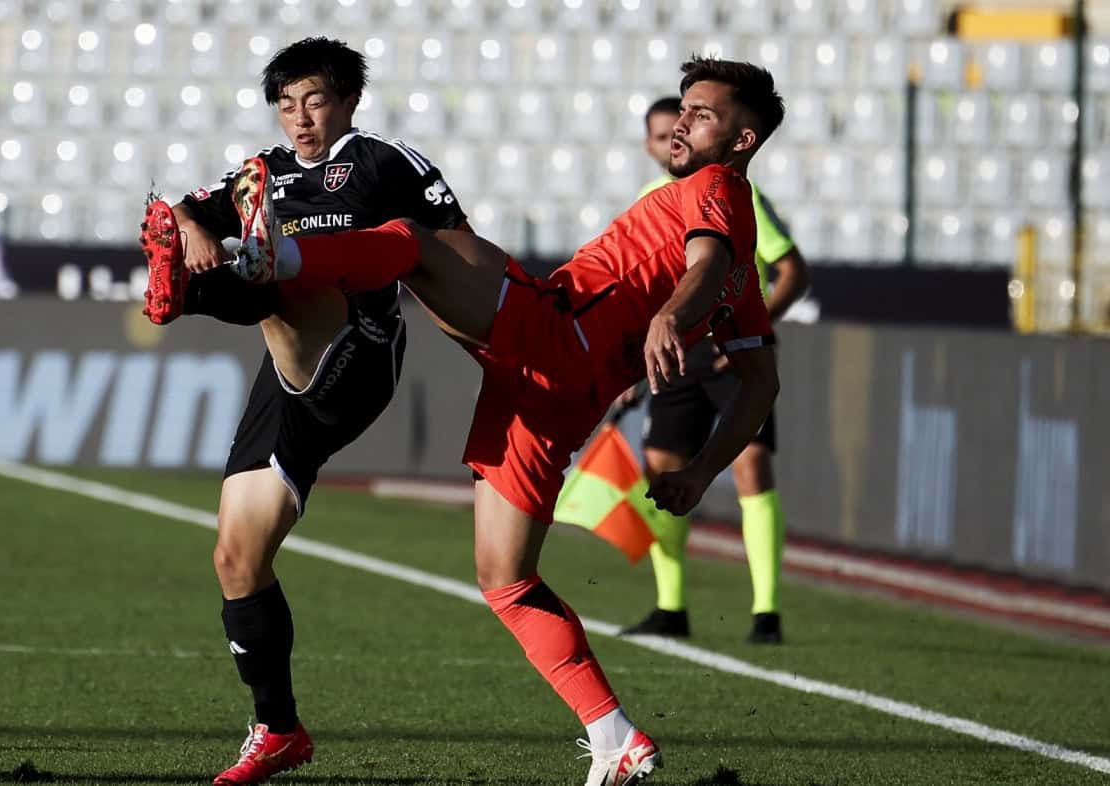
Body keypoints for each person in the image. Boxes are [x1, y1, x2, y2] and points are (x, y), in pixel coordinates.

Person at [226, 57, 784, 786]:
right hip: (550, 398)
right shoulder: (743, 270)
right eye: (682, 110)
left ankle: (279, 257)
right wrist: (703, 472)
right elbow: (762, 380)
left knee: (415, 243)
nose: (681, 124)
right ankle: (615, 738)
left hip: (554, 334)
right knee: (507, 581)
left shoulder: (717, 190)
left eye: (702, 115)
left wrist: (670, 319)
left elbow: (703, 265)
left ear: (742, 141)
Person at [138, 37, 468, 786]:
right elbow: (181, 208)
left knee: (290, 288)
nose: (301, 118)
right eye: (287, 105)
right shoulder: (267, 170)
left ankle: (222, 282)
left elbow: (460, 254)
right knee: (237, 557)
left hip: (360, 346)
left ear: (348, 100)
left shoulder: (386, 163)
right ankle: (279, 730)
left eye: (315, 101)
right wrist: (192, 227)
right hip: (284, 379)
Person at [618, 97, 811, 645]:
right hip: (679, 351)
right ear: (649, 146)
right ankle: (670, 606)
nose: (672, 139)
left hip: (731, 349)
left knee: (751, 464)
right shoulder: (649, 200)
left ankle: (766, 612)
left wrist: (750, 328)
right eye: (661, 135)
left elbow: (791, 269)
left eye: (680, 127)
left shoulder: (733, 195)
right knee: (662, 470)